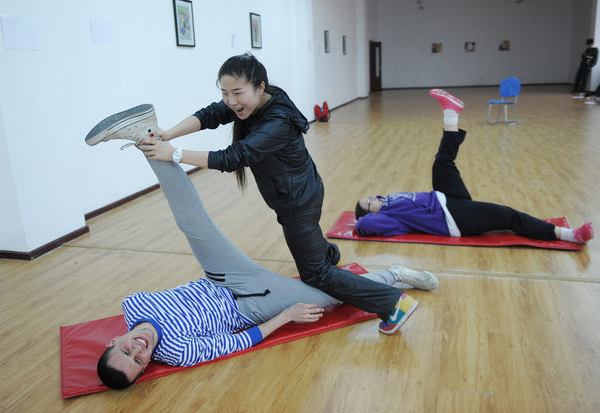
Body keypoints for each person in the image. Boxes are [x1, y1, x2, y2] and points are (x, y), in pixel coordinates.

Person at [86, 106, 440, 390]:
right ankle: (394, 275)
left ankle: (146, 135)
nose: (138, 350)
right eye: (138, 362)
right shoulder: (178, 352)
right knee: (328, 297)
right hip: (250, 302)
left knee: (192, 222)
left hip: (219, 276)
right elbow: (238, 343)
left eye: (126, 350)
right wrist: (285, 317)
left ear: (114, 340)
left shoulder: (133, 305)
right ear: (146, 366)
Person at [111, 53, 421, 335]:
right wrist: (168, 134)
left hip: (298, 201)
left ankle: (394, 302)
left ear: (260, 87)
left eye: (237, 93)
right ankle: (330, 258)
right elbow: (210, 114)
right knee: (316, 262)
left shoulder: (276, 122)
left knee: (317, 276)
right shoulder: (256, 102)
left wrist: (173, 154)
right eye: (225, 93)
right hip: (298, 195)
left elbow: (233, 157)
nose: (231, 101)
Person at [354, 89, 594, 245]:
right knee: (510, 216)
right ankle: (570, 235)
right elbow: (365, 226)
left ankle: (451, 112)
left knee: (442, 162)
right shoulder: (388, 218)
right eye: (369, 202)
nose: (374, 198)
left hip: (445, 198)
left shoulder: (389, 202)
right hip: (455, 218)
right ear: (371, 212)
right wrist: (364, 219)